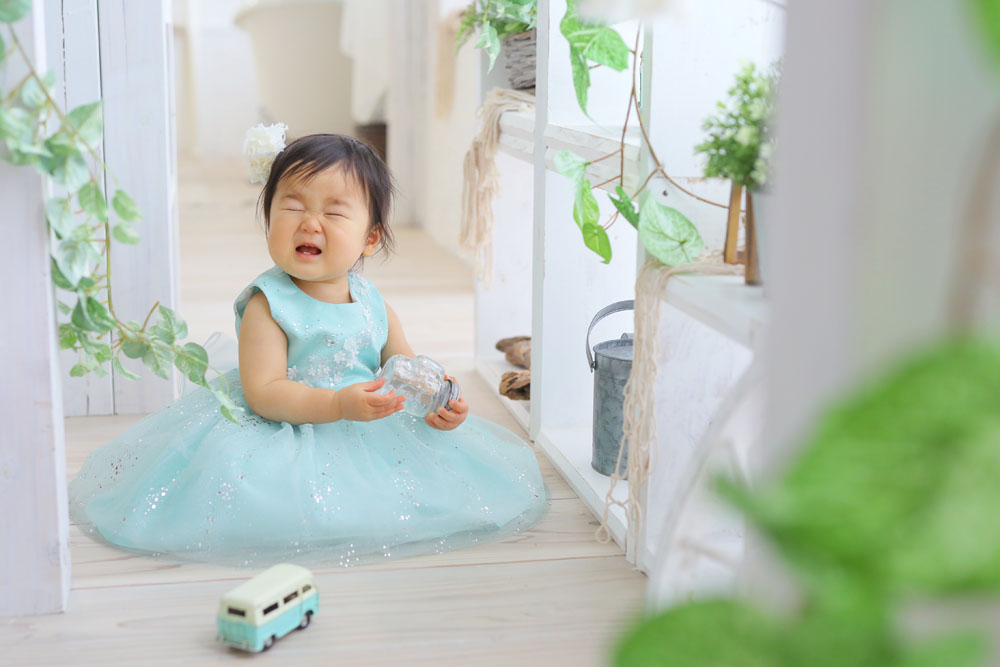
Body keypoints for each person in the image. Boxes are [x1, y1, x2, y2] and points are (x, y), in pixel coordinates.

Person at [68, 132, 549, 567]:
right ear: (268, 218)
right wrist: (337, 405)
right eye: (292, 208)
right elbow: (264, 393)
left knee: (429, 481)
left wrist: (438, 398)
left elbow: (403, 365)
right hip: (288, 424)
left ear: (370, 238)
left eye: (334, 213)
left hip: (366, 419)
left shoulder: (372, 301)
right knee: (258, 491)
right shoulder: (268, 304)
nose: (310, 224)